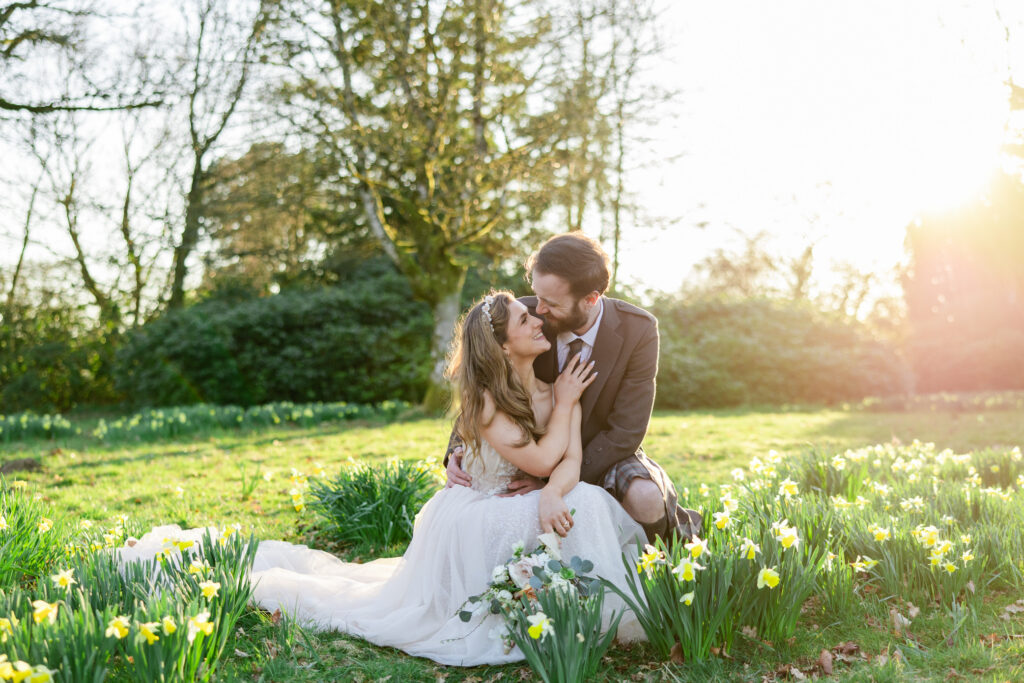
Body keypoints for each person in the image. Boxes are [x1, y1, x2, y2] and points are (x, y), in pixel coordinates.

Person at [116, 291, 645, 667]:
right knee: (583, 506)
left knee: (586, 499)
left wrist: (554, 489)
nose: (537, 321)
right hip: (476, 512)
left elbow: (569, 459)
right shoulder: (489, 401)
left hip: (527, 496)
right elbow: (543, 458)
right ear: (504, 347)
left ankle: (591, 612)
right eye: (525, 319)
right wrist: (565, 416)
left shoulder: (556, 387)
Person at [446, 232, 701, 543]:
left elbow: (626, 431)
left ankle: (662, 560)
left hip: (602, 452)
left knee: (646, 497)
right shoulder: (523, 319)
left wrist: (552, 480)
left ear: (590, 299)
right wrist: (459, 452)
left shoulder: (638, 330)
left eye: (551, 303)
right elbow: (483, 379)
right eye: (537, 295)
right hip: (528, 448)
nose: (539, 310)